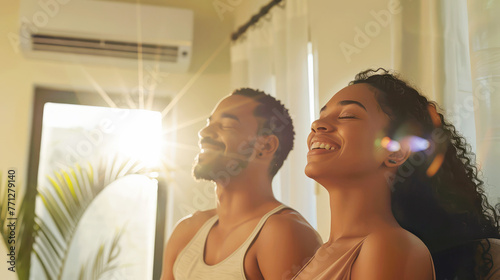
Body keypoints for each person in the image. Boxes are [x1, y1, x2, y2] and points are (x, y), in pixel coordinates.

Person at [293, 68, 500, 280]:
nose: (317, 125)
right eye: (321, 116)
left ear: (396, 152)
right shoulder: (323, 254)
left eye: (347, 115)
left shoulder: (388, 247)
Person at [160, 88, 322, 280]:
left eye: (226, 125)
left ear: (266, 146)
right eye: (209, 123)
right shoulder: (186, 230)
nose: (204, 132)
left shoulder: (285, 233)